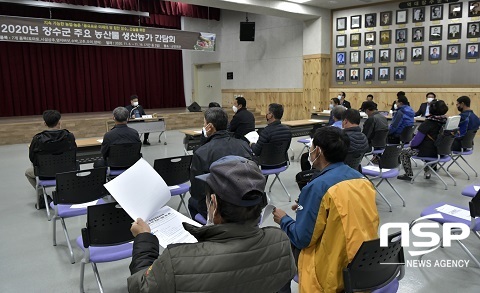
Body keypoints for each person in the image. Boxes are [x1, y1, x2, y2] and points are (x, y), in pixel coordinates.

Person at [128, 156, 297, 293]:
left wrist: (144, 239)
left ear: (213, 204)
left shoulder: (177, 260)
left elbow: (141, 287)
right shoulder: (280, 241)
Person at [273, 126, 379, 293]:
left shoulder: (317, 187)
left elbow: (302, 239)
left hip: (332, 272)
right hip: (364, 262)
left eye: (312, 147)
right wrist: (309, 205)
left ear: (318, 152)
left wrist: (284, 219)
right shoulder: (362, 180)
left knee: (277, 254)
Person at [189, 107, 253, 219]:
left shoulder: (201, 153)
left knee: (192, 202)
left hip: (218, 211)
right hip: (243, 205)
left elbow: (196, 192)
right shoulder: (243, 145)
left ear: (209, 126)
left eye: (204, 123)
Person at [25, 110, 77, 209]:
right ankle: (65, 193)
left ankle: (42, 198)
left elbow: (32, 158)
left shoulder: (37, 139)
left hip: (45, 173)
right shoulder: (69, 136)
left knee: (28, 172)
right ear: (59, 122)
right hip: (67, 171)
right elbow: (74, 154)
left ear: (45, 123)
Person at [397, 100, 449, 180]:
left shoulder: (428, 123)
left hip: (428, 151)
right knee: (429, 146)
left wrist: (411, 145)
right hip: (442, 150)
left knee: (404, 152)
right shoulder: (446, 121)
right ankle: (427, 171)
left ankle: (408, 174)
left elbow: (416, 141)